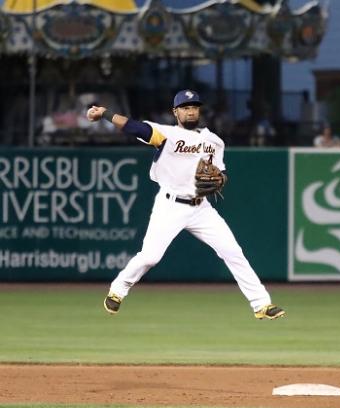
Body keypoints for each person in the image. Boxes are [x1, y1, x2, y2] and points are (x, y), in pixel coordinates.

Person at [85, 89, 285, 320]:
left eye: (194, 107)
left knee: (233, 252)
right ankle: (118, 290)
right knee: (150, 257)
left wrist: (219, 181)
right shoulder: (166, 134)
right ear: (175, 112)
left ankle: (261, 305)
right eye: (185, 108)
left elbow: (221, 174)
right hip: (170, 205)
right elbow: (135, 127)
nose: (190, 112)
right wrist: (105, 113)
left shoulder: (214, 141)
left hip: (201, 209)